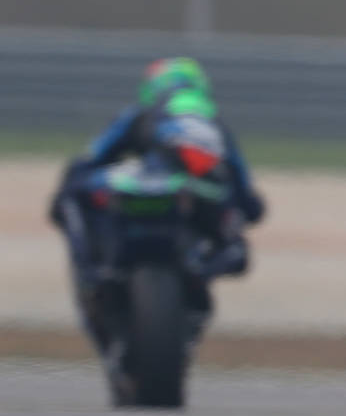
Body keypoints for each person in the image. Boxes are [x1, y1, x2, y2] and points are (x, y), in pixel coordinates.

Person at [50, 57, 265, 284]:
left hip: (161, 196)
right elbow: (245, 190)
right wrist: (247, 212)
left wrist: (65, 197)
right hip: (197, 203)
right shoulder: (214, 122)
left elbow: (93, 157)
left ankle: (88, 271)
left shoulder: (139, 114)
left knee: (72, 192)